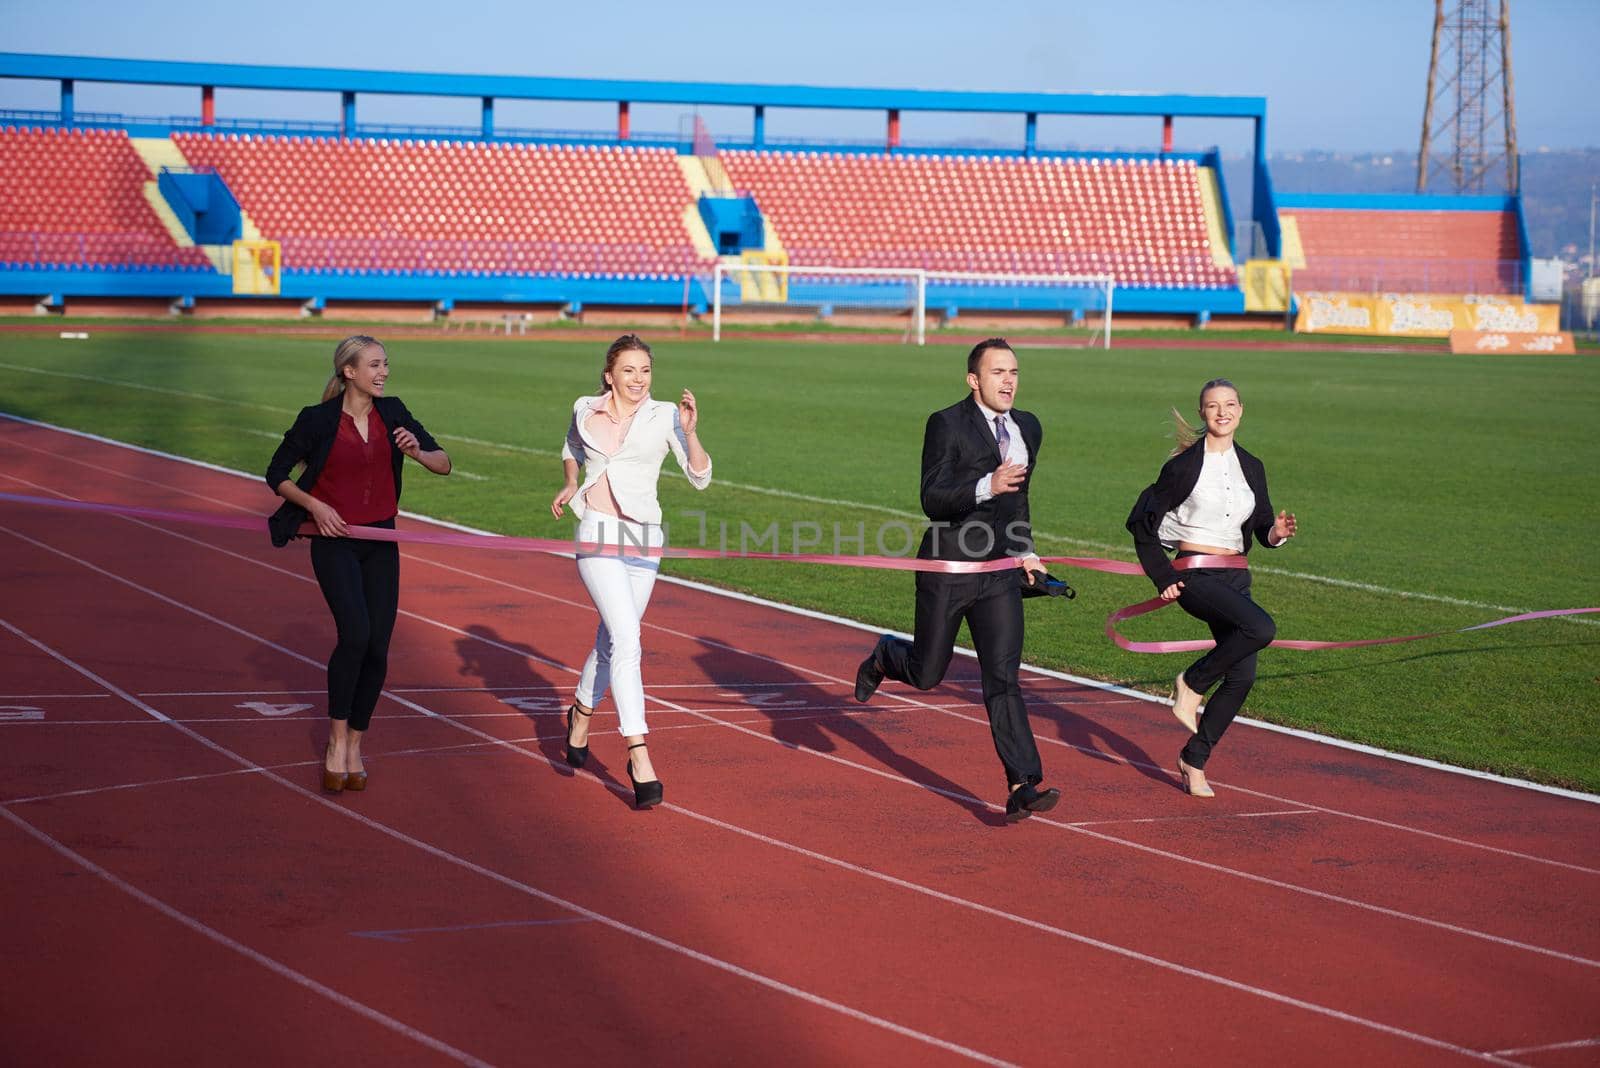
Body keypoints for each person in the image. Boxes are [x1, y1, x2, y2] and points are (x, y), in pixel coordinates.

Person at [853, 338, 1061, 822]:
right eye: (997, 373)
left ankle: (1022, 783)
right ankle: (886, 654)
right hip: (948, 567)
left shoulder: (1027, 426)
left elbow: (1019, 501)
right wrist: (986, 484)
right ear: (974, 380)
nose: (1008, 381)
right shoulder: (945, 423)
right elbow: (932, 497)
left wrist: (1026, 552)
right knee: (927, 674)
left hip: (998, 574)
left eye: (1014, 372)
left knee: (1003, 679)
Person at [266, 335, 451, 793]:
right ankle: (335, 743)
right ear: (349, 371)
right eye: (374, 365)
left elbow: (444, 463)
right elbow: (276, 475)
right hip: (335, 542)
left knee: (378, 648)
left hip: (381, 540)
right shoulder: (318, 419)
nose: (384, 372)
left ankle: (355, 744)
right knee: (356, 635)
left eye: (386, 364)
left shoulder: (394, 413)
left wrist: (416, 452)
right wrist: (317, 507)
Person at [550, 334, 711, 809]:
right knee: (628, 637)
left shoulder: (666, 415)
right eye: (629, 371)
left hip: (645, 539)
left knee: (612, 638)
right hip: (597, 531)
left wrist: (691, 431)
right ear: (609, 375)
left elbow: (700, 477)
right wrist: (570, 482)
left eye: (645, 371)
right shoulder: (586, 407)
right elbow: (570, 445)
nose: (638, 380)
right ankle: (638, 753)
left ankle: (580, 710)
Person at [1125, 378, 1297, 798]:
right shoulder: (1182, 467)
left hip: (1237, 575)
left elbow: (1259, 528)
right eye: (1213, 406)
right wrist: (1163, 577)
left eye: (1230, 404)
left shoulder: (1252, 466)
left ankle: (1194, 759)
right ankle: (1192, 683)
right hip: (1195, 575)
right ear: (1202, 414)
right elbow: (1140, 525)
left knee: (1241, 678)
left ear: (1241, 410)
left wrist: (1275, 534)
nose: (1222, 412)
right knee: (1261, 629)